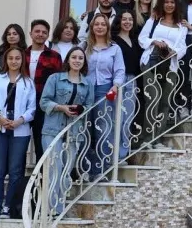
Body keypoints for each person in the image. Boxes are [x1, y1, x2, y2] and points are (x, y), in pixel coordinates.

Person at [39, 48, 94, 216]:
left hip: (74, 132)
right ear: (68, 60)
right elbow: (43, 102)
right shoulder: (55, 79)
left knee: (66, 171)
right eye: (74, 57)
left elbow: (90, 106)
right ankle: (50, 210)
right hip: (52, 130)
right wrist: (61, 107)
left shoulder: (87, 83)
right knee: (54, 168)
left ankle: (59, 208)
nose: (77, 60)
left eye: (80, 58)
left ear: (84, 62)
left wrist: (81, 109)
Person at [0, 46, 35, 218]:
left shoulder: (28, 82)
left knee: (15, 170)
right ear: (6, 60)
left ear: (22, 60)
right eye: (11, 58)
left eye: (17, 58)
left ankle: (9, 207)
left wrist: (20, 120)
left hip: (20, 130)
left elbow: (32, 108)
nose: (14, 61)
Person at [138, 0, 187, 146]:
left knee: (165, 102)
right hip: (151, 62)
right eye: (166, 2)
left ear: (176, 5)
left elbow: (183, 47)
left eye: (172, 2)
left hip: (170, 65)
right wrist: (154, 42)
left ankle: (157, 139)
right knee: (152, 98)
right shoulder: (154, 20)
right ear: (162, 4)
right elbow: (142, 38)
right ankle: (148, 138)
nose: (169, 5)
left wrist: (174, 51)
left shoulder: (182, 26)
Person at [82, 13, 125, 175]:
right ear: (92, 27)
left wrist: (116, 85)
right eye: (96, 24)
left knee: (103, 128)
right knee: (85, 128)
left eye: (103, 24)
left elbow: (119, 70)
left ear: (107, 28)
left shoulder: (114, 48)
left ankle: (102, 168)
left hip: (105, 90)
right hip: (85, 90)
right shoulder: (84, 46)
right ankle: (86, 168)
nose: (100, 27)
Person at [26, 20, 63, 162]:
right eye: (37, 31)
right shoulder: (21, 54)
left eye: (44, 32)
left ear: (48, 35)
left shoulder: (54, 56)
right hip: (22, 102)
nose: (40, 34)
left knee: (41, 141)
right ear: (31, 34)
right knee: (20, 142)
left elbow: (58, 82)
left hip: (43, 103)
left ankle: (41, 173)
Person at [113, 10, 142, 156]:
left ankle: (123, 153)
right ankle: (113, 153)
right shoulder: (113, 40)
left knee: (128, 118)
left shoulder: (135, 40)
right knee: (116, 117)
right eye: (124, 19)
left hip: (132, 80)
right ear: (119, 21)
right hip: (118, 80)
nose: (127, 22)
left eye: (130, 19)